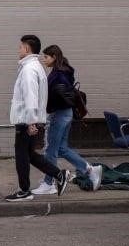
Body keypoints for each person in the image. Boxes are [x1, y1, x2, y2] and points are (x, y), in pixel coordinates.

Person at [6, 35, 71, 202]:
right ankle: (59, 174)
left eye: (20, 47)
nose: (18, 50)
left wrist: (31, 121)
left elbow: (31, 96)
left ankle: (24, 190)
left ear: (27, 49)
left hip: (26, 120)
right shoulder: (35, 67)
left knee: (21, 155)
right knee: (30, 155)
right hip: (30, 119)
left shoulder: (29, 70)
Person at [32, 44, 103, 195]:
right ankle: (90, 170)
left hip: (59, 115)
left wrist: (49, 104)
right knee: (62, 148)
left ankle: (48, 183)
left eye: (46, 57)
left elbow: (62, 95)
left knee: (51, 149)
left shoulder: (59, 74)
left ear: (54, 57)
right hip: (66, 114)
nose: (44, 60)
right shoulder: (64, 71)